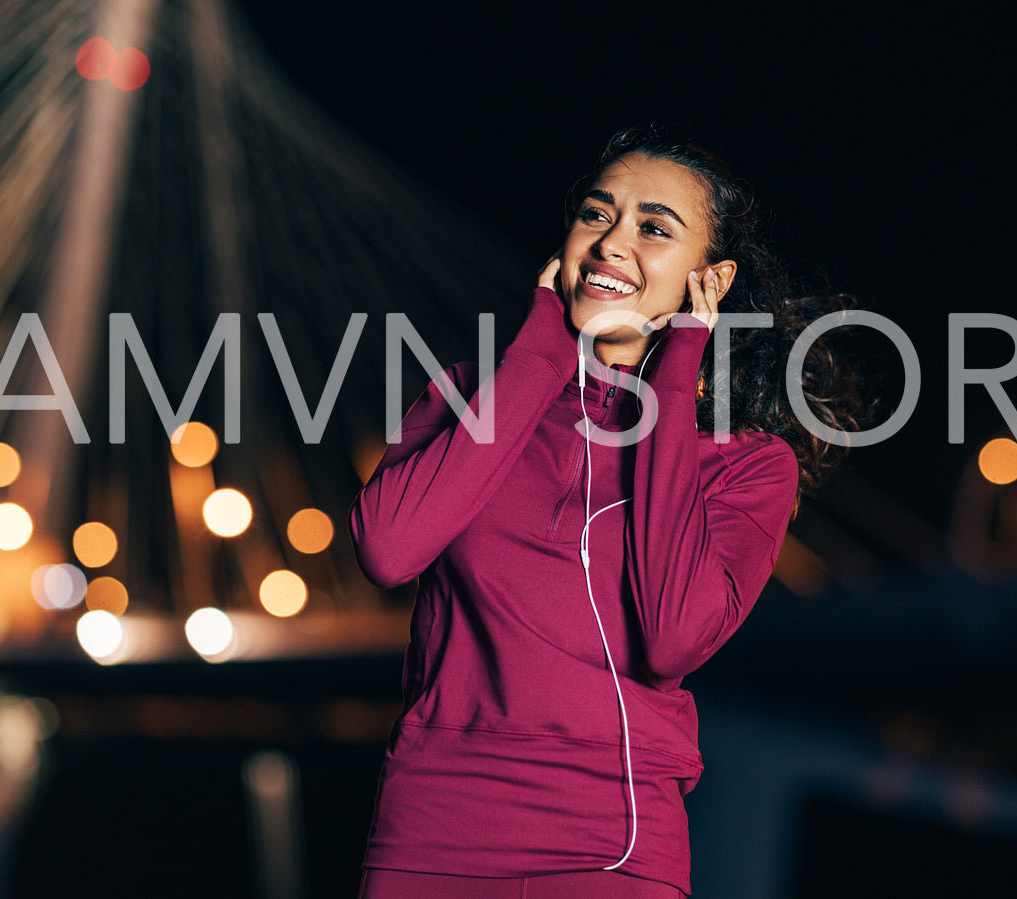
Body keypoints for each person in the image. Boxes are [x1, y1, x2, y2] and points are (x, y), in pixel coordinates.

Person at [349, 125, 870, 898]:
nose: (611, 243)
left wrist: (675, 368)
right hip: (431, 829)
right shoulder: (468, 399)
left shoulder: (746, 464)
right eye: (597, 215)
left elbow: (669, 638)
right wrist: (542, 350)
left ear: (709, 277)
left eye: (654, 228)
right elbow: (389, 550)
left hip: (609, 848)